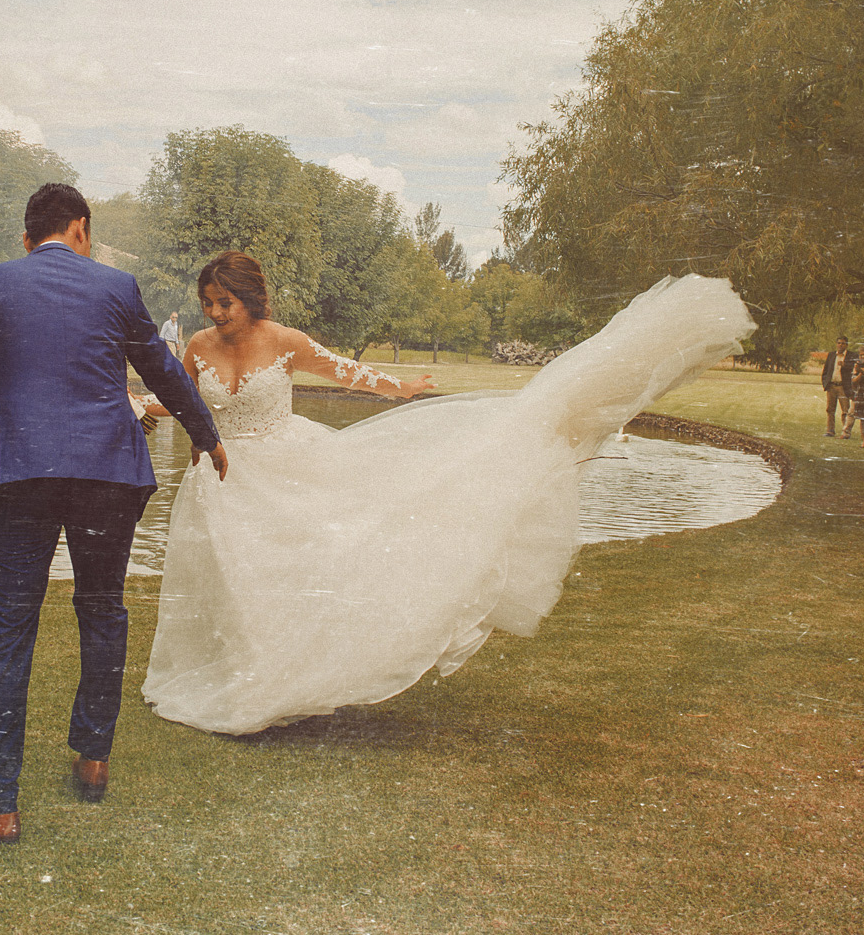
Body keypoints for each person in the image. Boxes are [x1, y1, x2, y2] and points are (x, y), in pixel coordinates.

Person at [142, 254, 754, 736]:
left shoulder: (286, 341)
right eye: (209, 304)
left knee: (308, 564)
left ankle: (279, 679)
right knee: (233, 579)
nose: (216, 314)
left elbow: (344, 371)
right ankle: (241, 674)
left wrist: (401, 386)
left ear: (251, 300)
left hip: (291, 466)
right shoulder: (196, 348)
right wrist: (145, 408)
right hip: (223, 479)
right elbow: (182, 398)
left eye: (225, 303)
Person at [0, 183, 226, 844]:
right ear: (81, 229)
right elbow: (166, 372)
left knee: (5, 636)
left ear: (27, 240)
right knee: (102, 609)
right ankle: (92, 758)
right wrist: (206, 434)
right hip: (108, 473)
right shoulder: (117, 287)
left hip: (18, 474)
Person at [821, 335, 856, 437]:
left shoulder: (851, 356)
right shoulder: (831, 355)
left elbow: (855, 367)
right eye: (839, 343)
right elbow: (826, 371)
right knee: (830, 409)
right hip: (831, 386)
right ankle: (830, 431)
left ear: (847, 345)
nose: (840, 345)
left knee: (845, 410)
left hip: (843, 387)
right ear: (836, 344)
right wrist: (825, 383)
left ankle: (845, 432)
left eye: (843, 343)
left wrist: (845, 365)